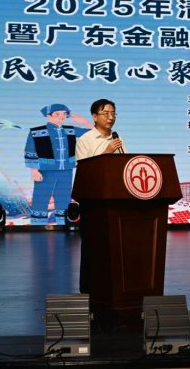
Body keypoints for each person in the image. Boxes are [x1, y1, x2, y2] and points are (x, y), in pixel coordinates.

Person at [75, 99, 126, 293]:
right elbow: (85, 171)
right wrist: (107, 151)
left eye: (113, 113)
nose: (111, 117)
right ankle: (91, 289)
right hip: (93, 201)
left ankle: (114, 286)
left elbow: (124, 165)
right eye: (106, 113)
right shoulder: (85, 140)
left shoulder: (118, 139)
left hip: (116, 200)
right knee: (94, 247)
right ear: (94, 117)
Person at [24, 104, 91, 224]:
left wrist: (85, 122)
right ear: (49, 115)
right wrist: (34, 170)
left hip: (66, 170)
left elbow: (95, 133)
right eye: (57, 114)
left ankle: (63, 224)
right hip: (45, 170)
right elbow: (30, 150)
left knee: (64, 197)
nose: (62, 116)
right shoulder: (37, 131)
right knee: (41, 197)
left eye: (64, 113)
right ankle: (38, 225)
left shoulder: (70, 130)